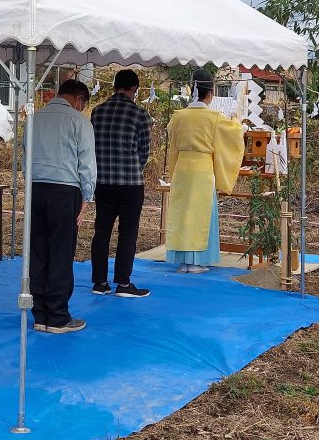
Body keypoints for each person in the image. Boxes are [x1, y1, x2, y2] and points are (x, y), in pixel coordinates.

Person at [28, 79, 96, 334]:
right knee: (60, 252)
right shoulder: (79, 121)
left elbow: (25, 155)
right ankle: (57, 316)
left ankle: (40, 314)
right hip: (65, 191)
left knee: (38, 250)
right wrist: (87, 198)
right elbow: (87, 163)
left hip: (36, 188)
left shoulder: (36, 118)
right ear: (79, 100)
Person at [165, 70, 244, 273]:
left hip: (182, 168)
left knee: (183, 213)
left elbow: (173, 146)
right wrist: (237, 122)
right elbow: (234, 134)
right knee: (201, 214)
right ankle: (197, 261)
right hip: (202, 169)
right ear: (210, 94)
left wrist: (172, 172)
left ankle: (183, 261)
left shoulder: (178, 117)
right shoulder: (214, 117)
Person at [89, 69, 152, 297]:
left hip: (102, 182)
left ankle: (99, 282)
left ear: (115, 86)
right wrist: (133, 167)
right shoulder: (140, 115)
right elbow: (144, 152)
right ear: (134, 88)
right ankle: (123, 283)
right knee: (128, 233)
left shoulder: (97, 112)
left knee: (101, 231)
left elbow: (91, 146)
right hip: (130, 183)